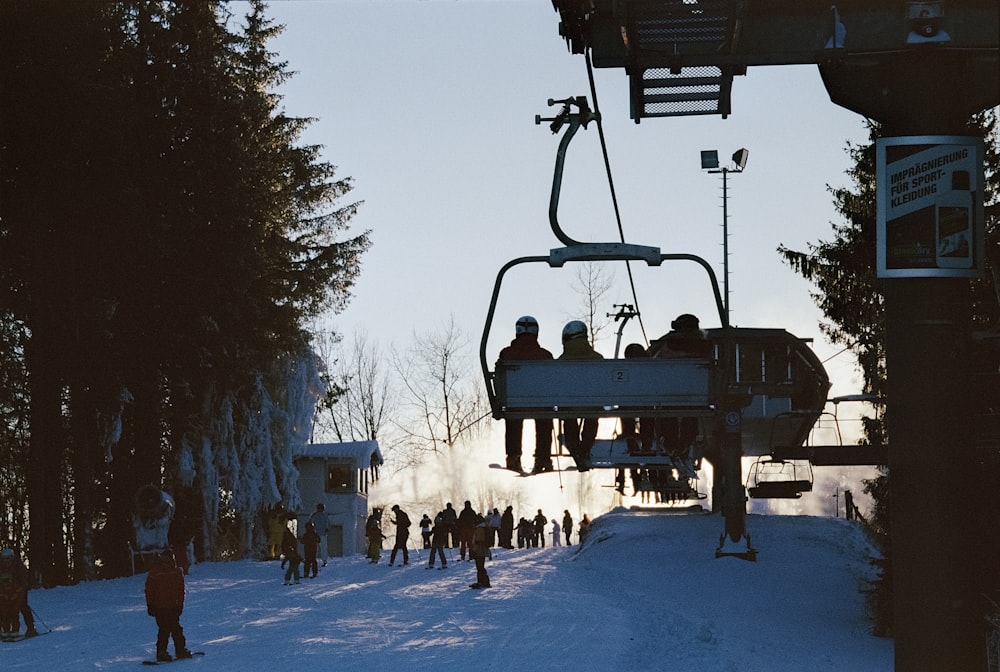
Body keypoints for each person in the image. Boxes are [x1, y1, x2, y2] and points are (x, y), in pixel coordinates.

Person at [653, 314, 712, 478]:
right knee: (690, 418)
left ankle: (672, 446)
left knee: (668, 418)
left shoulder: (670, 342)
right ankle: (686, 445)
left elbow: (652, 358)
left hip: (669, 392)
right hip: (696, 394)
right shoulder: (705, 344)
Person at [497, 315, 555, 473]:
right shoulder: (545, 356)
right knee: (544, 420)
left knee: (513, 419)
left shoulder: (507, 354)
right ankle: (543, 457)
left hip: (514, 404)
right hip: (541, 405)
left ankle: (513, 456)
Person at [558, 320, 603, 471]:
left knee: (568, 417)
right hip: (592, 405)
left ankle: (576, 450)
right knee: (593, 414)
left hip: (569, 406)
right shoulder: (598, 359)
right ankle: (585, 448)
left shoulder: (560, 363)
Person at [144, 549, 192, 663]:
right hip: (160, 608)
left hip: (172, 607)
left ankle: (179, 650)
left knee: (175, 629)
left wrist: (179, 605)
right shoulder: (155, 573)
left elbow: (180, 591)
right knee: (165, 630)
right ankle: (163, 652)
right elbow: (149, 591)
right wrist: (150, 605)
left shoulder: (176, 572)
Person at [621, 343, 655, 455]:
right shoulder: (649, 371)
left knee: (625, 408)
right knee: (647, 410)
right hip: (646, 405)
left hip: (628, 405)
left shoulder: (623, 371)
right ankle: (647, 444)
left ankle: (631, 442)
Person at [0, 547, 36, 639]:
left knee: (22, 606)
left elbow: (23, 581)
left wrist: (17, 592)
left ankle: (31, 628)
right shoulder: (1, 567)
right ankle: (5, 630)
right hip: (5, 591)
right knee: (4, 608)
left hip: (20, 590)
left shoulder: (18, 566)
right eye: (4, 559)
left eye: (8, 558)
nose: (6, 561)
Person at [468, 516, 492, 589]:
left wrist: (474, 551)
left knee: (479, 567)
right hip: (484, 549)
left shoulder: (479, 529)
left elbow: (477, 541)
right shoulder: (486, 527)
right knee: (481, 566)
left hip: (479, 549)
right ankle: (484, 582)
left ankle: (482, 582)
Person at [308, 503, 330, 567]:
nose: (320, 509)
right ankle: (313, 560)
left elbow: (327, 523)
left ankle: (324, 560)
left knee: (323, 548)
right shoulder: (315, 515)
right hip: (316, 534)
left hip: (322, 533)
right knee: (315, 548)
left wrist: (327, 529)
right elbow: (310, 521)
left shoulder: (324, 515)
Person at [281, 516, 301, 585]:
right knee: (294, 569)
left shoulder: (287, 541)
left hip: (293, 557)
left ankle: (288, 580)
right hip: (294, 557)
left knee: (291, 569)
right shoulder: (291, 539)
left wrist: (283, 563)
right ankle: (296, 580)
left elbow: (287, 555)